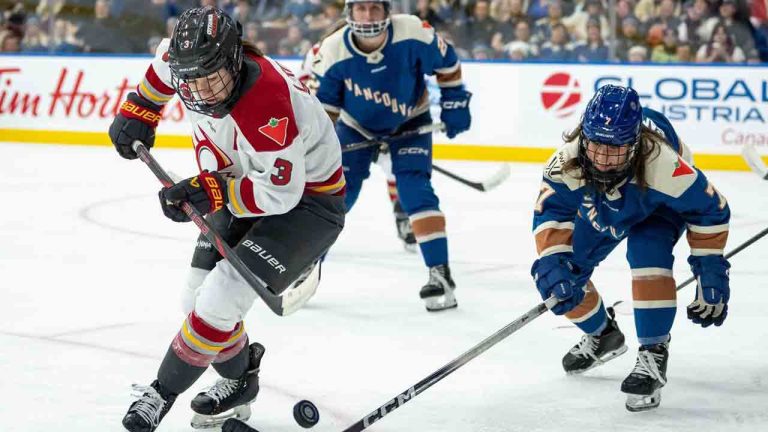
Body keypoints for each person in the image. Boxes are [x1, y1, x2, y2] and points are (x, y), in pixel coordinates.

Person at [107, 6, 346, 431]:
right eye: (190, 79)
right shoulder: (192, 63)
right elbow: (166, 62)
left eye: (210, 77)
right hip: (241, 185)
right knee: (196, 300)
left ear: (233, 60)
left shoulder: (266, 103)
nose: (199, 91)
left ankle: (161, 393)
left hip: (307, 205)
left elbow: (280, 193)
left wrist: (210, 192)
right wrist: (141, 108)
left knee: (220, 298)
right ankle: (241, 382)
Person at [531, 85, 731, 412]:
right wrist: (553, 260)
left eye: (616, 150)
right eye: (596, 146)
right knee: (564, 274)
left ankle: (653, 352)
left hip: (659, 204)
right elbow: (552, 211)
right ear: (584, 136)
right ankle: (603, 335)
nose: (604, 160)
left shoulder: (664, 165)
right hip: (603, 200)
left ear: (635, 145)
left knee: (646, 255)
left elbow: (711, 209)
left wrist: (709, 267)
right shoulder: (567, 159)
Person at [311, 0, 472, 311]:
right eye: (361, 9)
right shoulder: (332, 49)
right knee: (336, 194)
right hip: (356, 126)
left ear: (387, 11)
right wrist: (318, 148)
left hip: (411, 120)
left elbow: (448, 63)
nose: (368, 16)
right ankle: (304, 267)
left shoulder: (412, 31)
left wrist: (454, 100)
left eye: (375, 8)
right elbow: (326, 110)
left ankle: (440, 274)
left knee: (415, 190)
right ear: (349, 13)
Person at [298, 18, 417, 251]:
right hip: (335, 127)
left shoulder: (382, 55)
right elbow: (308, 94)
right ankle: (310, 227)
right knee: (329, 178)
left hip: (373, 125)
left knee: (398, 166)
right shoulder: (320, 53)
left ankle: (403, 218)